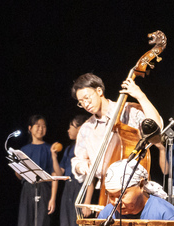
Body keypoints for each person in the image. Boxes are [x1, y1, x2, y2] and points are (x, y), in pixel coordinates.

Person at [70, 73, 163, 207]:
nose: (85, 104)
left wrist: (141, 96)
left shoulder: (127, 111)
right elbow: (78, 160)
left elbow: (157, 127)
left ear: (99, 91)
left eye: (87, 98)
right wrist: (81, 166)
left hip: (133, 189)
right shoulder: (86, 128)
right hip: (106, 191)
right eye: (81, 102)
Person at [14, 114, 59, 226]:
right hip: (27, 189)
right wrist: (17, 168)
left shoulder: (49, 148)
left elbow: (55, 174)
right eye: (37, 125)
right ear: (30, 128)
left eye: (43, 126)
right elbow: (19, 176)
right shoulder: (24, 150)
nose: (41, 129)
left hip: (44, 189)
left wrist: (53, 198)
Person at [56, 114, 88, 226]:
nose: (68, 130)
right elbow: (59, 172)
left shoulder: (87, 149)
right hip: (68, 187)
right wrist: (53, 156)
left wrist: (86, 201)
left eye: (71, 127)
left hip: (80, 187)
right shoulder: (68, 150)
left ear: (80, 129)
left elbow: (90, 177)